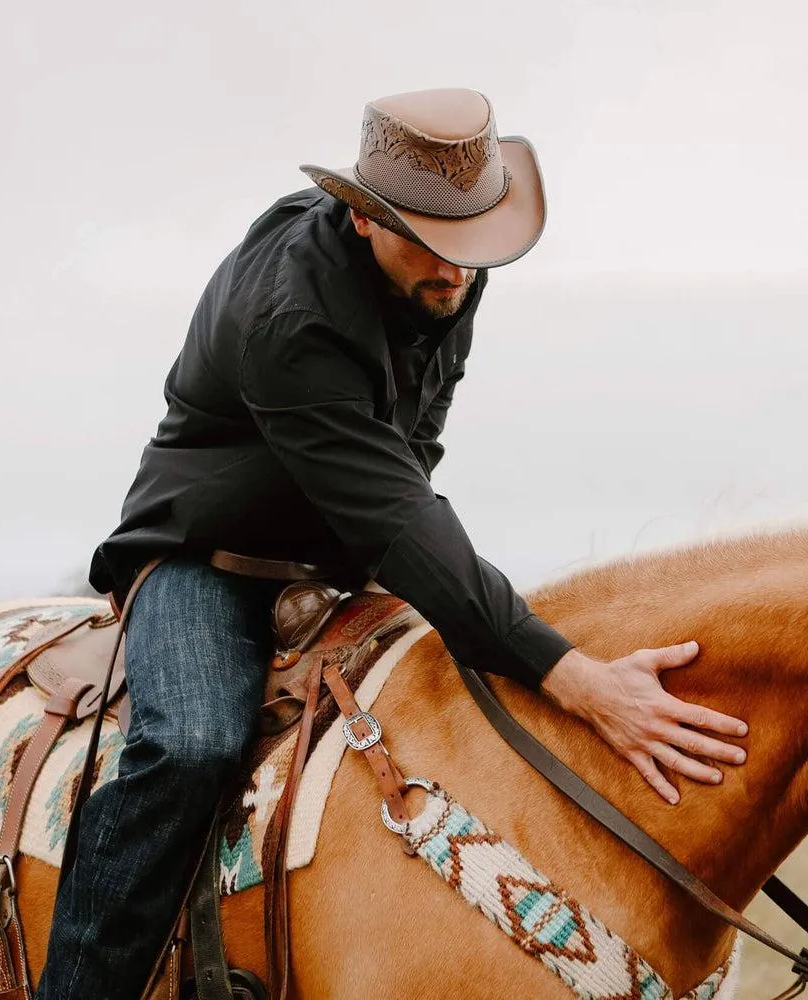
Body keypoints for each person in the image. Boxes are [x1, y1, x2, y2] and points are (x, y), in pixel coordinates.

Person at [36, 88, 748, 1000]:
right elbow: (395, 511)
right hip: (206, 558)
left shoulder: (448, 275)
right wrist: (576, 677)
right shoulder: (289, 318)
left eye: (477, 249)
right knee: (191, 747)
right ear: (364, 218)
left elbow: (410, 458)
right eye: (437, 245)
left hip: (343, 555)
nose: (459, 274)